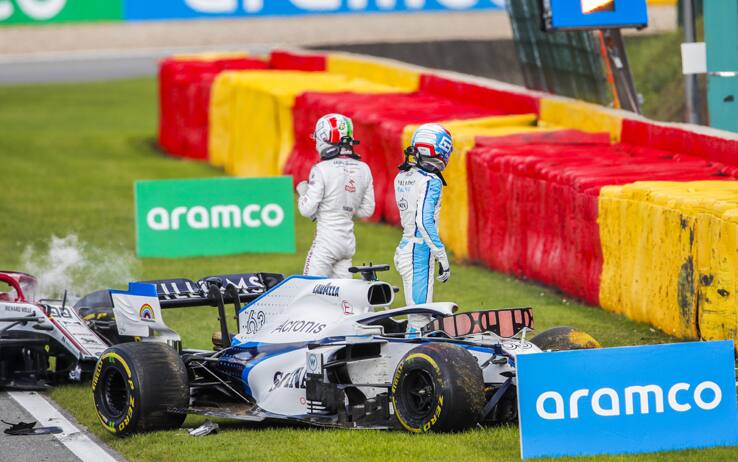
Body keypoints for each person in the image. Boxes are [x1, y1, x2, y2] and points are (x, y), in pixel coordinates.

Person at [297, 113, 375, 279]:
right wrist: (344, 208)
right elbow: (367, 210)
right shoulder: (364, 168)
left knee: (308, 290)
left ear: (324, 138)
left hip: (325, 243)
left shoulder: (321, 169)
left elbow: (306, 209)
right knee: (343, 298)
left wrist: (303, 192)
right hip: (347, 245)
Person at [393, 123, 453, 336]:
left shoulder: (402, 176)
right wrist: (441, 255)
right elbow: (424, 221)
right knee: (420, 318)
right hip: (419, 252)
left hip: (405, 246)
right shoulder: (431, 180)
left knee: (417, 315)